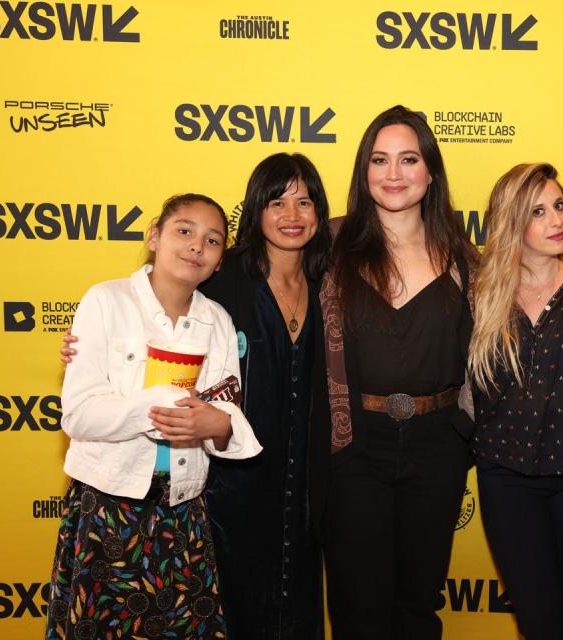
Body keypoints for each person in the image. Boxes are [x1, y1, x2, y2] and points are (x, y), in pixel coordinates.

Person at [46, 194, 262, 640]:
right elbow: (80, 415)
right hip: (109, 503)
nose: (196, 246)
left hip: (182, 509)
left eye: (212, 239)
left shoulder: (217, 321)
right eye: (184, 231)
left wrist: (218, 426)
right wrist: (158, 403)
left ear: (221, 261)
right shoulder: (106, 301)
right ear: (154, 237)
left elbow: (227, 409)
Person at [318, 105, 478, 639]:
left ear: (430, 171)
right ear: (364, 173)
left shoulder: (465, 257)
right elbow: (248, 284)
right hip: (354, 445)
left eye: (408, 159)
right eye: (379, 160)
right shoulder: (331, 244)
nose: (393, 174)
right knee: (357, 602)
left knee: (417, 603)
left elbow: (540, 289)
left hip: (439, 445)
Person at [468, 163, 563, 640]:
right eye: (538, 212)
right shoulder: (482, 293)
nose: (557, 220)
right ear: (513, 223)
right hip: (506, 478)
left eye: (559, 206)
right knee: (541, 621)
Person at [199, 153, 332, 640]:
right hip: (231, 487)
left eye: (304, 202)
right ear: (256, 210)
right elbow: (158, 305)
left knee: (296, 611)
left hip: (306, 490)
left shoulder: (329, 283)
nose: (292, 216)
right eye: (277, 202)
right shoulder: (222, 279)